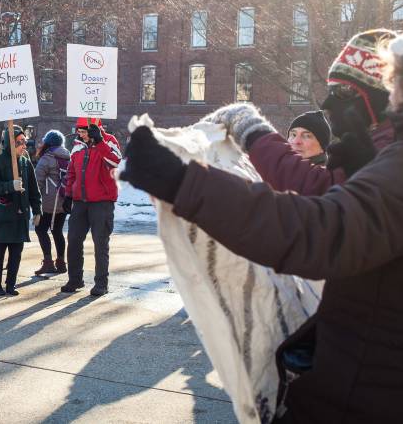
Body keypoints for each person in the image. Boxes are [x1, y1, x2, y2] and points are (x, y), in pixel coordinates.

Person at [119, 32, 403, 424]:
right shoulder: (383, 157)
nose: (329, 106)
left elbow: (321, 226)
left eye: (395, 84)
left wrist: (185, 182)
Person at [204, 29, 398, 195]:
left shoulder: (391, 151)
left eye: (342, 91)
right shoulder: (375, 146)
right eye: (293, 134)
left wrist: (252, 131)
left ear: (380, 97)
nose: (327, 104)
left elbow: (321, 198)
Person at [61, 118, 122, 296]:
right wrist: (68, 194)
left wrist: (100, 142)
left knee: (100, 243)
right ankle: (75, 279)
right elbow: (72, 171)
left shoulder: (109, 140)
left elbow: (116, 161)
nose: (80, 134)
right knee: (73, 240)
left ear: (94, 129)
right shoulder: (78, 145)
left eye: (83, 131)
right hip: (80, 201)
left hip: (102, 202)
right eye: (78, 131)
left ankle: (101, 283)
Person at [0, 125, 41, 296]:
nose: (23, 145)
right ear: (10, 143)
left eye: (24, 141)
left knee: (16, 254)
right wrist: (10, 186)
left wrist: (37, 210)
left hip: (19, 216)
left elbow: (33, 189)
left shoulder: (25, 163)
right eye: (19, 142)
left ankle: (11, 284)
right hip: (2, 216)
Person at [33, 130, 71, 275]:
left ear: (49, 142)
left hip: (48, 203)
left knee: (40, 229)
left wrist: (35, 200)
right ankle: (61, 263)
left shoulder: (47, 158)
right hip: (63, 201)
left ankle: (48, 262)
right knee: (57, 231)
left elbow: (38, 182)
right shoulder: (68, 156)